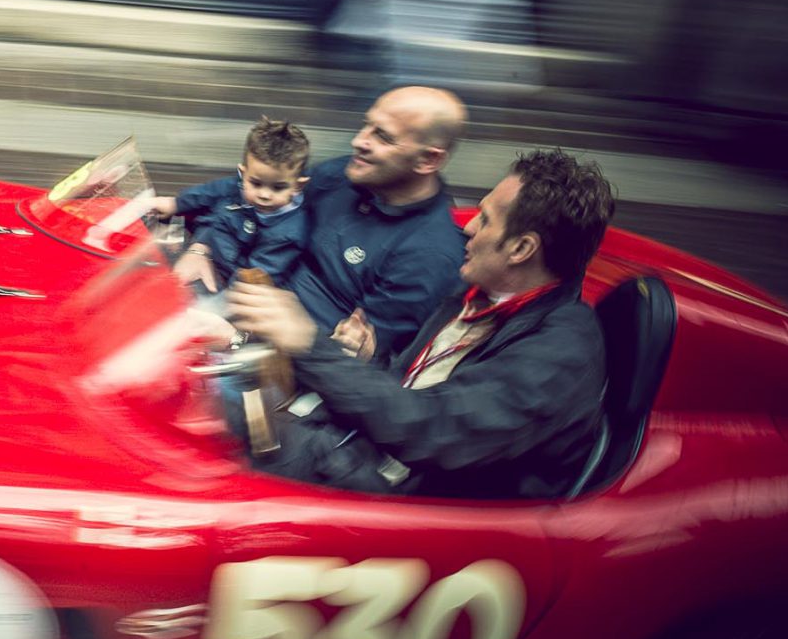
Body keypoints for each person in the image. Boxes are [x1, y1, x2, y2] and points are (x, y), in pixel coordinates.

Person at [225, 147, 615, 499]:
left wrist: (310, 344)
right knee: (220, 413)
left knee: (221, 456)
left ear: (521, 248)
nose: (468, 228)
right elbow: (413, 380)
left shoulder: (561, 356)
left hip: (406, 499)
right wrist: (368, 356)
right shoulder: (477, 292)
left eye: (485, 219)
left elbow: (433, 429)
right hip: (364, 453)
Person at [288, 86, 468, 358]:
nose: (359, 141)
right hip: (255, 289)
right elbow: (269, 205)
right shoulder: (347, 174)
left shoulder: (428, 255)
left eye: (383, 137)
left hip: (296, 350)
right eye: (366, 125)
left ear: (428, 159)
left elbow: (353, 357)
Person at [150, 118, 311, 293]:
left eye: (278, 188)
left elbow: (257, 275)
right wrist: (176, 204)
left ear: (298, 185)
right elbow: (207, 193)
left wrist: (224, 298)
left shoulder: (288, 233)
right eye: (256, 184)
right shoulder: (238, 186)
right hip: (206, 245)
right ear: (243, 173)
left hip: (230, 282)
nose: (264, 195)